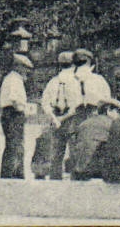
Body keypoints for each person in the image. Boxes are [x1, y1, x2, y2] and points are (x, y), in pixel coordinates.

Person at [39, 51, 77, 180]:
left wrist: (54, 118)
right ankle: (74, 181)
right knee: (74, 152)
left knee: (56, 154)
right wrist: (62, 118)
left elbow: (44, 103)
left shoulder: (52, 82)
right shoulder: (76, 82)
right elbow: (76, 107)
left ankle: (55, 180)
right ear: (73, 65)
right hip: (70, 120)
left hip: (56, 118)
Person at [68, 98, 120, 180]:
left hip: (79, 170)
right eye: (118, 112)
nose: (119, 116)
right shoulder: (113, 125)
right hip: (99, 171)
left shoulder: (84, 124)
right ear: (108, 110)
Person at [0, 54, 31, 179]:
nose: (27, 71)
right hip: (13, 113)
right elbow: (13, 98)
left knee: (15, 143)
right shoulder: (14, 79)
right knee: (14, 144)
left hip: (11, 113)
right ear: (18, 67)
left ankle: (15, 172)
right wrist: (21, 109)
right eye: (25, 68)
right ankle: (10, 174)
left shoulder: (12, 78)